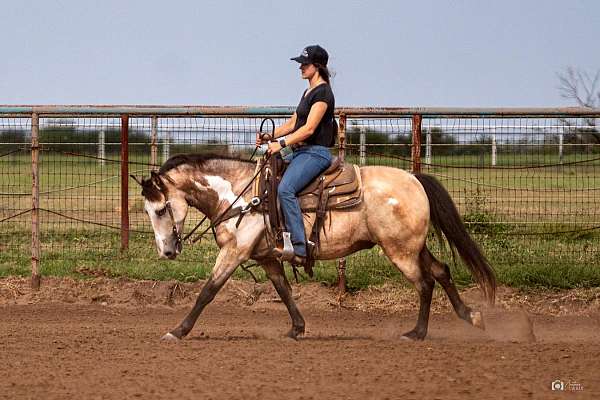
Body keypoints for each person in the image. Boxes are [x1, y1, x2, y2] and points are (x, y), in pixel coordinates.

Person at [257, 44, 335, 263]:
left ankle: (299, 248)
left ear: (317, 66)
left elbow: (309, 129)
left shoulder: (323, 94)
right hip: (301, 151)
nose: (301, 67)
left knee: (286, 189)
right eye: (301, 63)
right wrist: (269, 137)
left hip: (315, 153)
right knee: (267, 174)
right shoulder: (308, 91)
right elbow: (293, 123)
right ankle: (275, 232)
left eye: (305, 63)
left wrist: (280, 144)